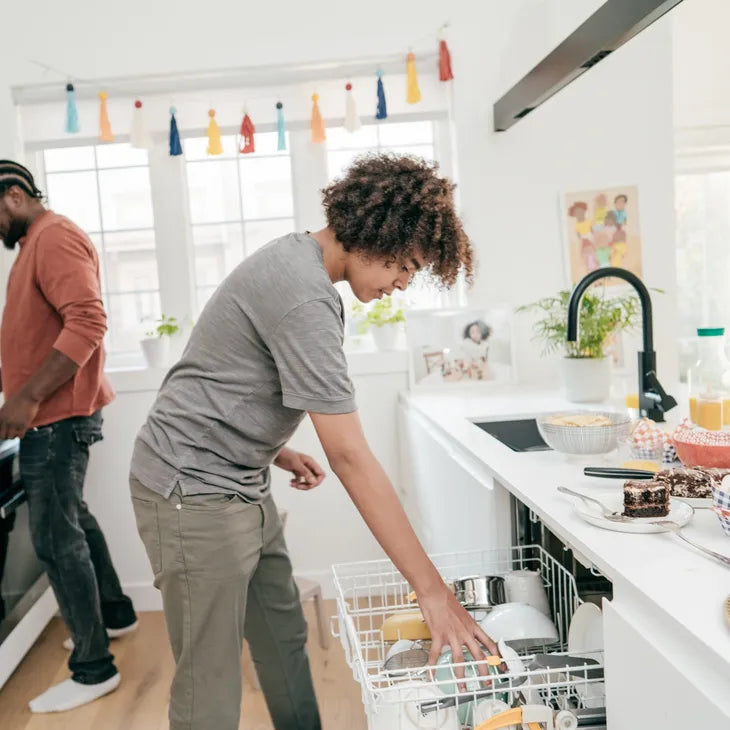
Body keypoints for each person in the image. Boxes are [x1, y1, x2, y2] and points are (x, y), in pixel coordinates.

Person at [129, 154, 498, 730]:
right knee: (211, 682)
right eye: (404, 264)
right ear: (376, 236)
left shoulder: (298, 265)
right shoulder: (305, 296)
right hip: (190, 490)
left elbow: (222, 370)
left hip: (240, 480)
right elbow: (349, 454)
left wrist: (272, 449)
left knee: (282, 633)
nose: (404, 282)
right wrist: (432, 593)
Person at [0, 161, 137, 713]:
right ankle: (114, 614)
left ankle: (92, 667)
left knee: (57, 539)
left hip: (54, 419)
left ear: (11, 195)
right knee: (73, 519)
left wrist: (28, 397)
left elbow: (87, 320)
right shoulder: (39, 240)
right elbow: (44, 330)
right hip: (55, 415)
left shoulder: (53, 237)